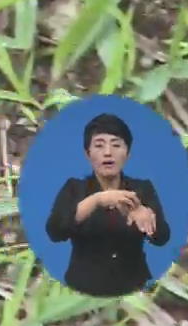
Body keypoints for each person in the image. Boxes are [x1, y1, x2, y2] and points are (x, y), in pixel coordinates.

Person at [45, 113, 171, 297]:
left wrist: (146, 220)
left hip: (134, 288)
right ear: (87, 154)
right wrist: (97, 200)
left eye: (116, 144)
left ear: (127, 153)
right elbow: (55, 232)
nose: (108, 152)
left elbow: (162, 238)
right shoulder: (74, 188)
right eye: (99, 145)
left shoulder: (142, 189)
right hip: (81, 290)